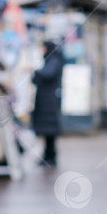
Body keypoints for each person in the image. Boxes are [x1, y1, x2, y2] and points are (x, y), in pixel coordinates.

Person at [32, 40, 65, 168]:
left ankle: (50, 157)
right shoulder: (51, 60)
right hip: (46, 101)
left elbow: (48, 74)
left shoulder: (54, 60)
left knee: (50, 131)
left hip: (49, 102)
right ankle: (48, 156)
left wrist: (35, 71)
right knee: (47, 132)